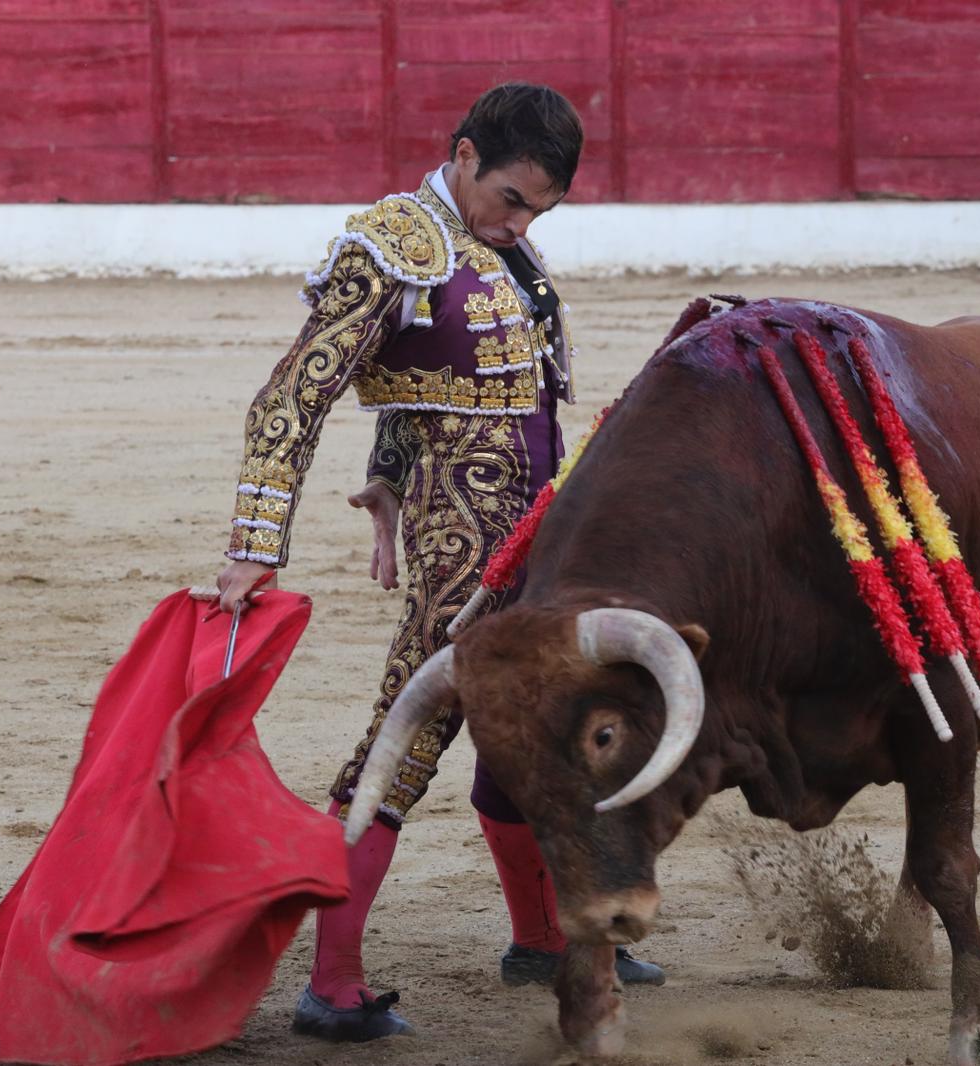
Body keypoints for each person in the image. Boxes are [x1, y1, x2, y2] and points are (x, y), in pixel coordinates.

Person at [213, 83, 664, 1042]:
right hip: (463, 543)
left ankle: (542, 937)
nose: (521, 221)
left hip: (541, 529)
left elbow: (421, 379)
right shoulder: (391, 242)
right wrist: (255, 548)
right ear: (462, 156)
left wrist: (385, 468)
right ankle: (332, 985)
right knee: (407, 735)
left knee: (538, 728)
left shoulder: (491, 239)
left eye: (539, 209)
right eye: (511, 198)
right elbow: (290, 399)